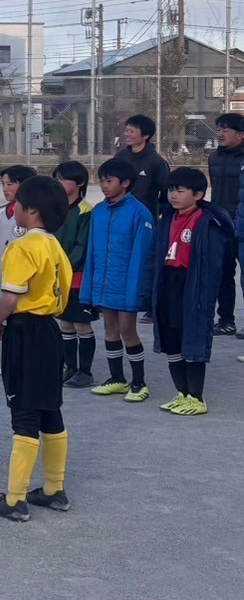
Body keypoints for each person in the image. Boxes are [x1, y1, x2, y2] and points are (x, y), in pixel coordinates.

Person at [0, 176, 74, 521]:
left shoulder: (22, 247)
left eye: (18, 203)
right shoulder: (55, 246)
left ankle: (15, 499)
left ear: (32, 210)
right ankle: (54, 489)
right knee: (50, 409)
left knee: (23, 411)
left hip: (25, 331)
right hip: (50, 331)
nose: (14, 207)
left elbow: (10, 296)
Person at [151, 168, 231, 414]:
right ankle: (182, 393)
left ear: (198, 195)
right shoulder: (167, 218)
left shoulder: (208, 222)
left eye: (180, 191)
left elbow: (213, 265)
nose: (173, 195)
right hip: (168, 283)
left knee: (193, 338)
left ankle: (196, 397)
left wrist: (204, 296)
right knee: (171, 338)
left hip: (192, 285)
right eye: (170, 190)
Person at [79, 158, 157, 400]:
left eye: (109, 181)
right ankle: (117, 379)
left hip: (126, 285)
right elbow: (92, 252)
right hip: (103, 283)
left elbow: (143, 256)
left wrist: (136, 290)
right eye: (102, 180)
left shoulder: (140, 213)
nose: (104, 185)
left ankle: (139, 383)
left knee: (128, 331)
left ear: (125, 183)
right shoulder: (99, 211)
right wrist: (89, 286)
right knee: (109, 329)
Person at [52, 162, 96, 386]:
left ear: (80, 183)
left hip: (78, 278)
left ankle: (85, 372)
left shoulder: (86, 211)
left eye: (63, 179)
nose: (58, 184)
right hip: (57, 277)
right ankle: (70, 368)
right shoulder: (53, 209)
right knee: (66, 324)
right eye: (56, 179)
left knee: (81, 325)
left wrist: (63, 266)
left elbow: (82, 246)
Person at [206, 113, 244, 335]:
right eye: (218, 129)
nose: (219, 134)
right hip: (221, 223)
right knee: (223, 274)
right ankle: (226, 321)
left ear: (240, 135)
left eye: (225, 130)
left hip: (241, 223)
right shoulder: (214, 158)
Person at [0, 165, 36, 292]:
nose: (5, 189)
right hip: (3, 274)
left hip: (24, 277)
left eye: (9, 184)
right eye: (3, 184)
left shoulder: (33, 214)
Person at [114, 113, 170, 215]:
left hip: (145, 216)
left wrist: (154, 213)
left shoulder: (157, 162)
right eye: (126, 130)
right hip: (120, 214)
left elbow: (166, 193)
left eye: (132, 131)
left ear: (145, 135)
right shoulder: (120, 157)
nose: (127, 134)